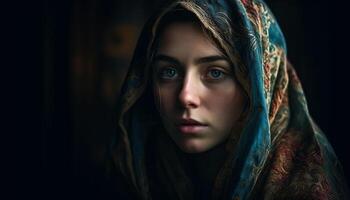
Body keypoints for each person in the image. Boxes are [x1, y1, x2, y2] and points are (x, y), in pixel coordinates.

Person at [106, 0, 349, 199]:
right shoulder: (142, 169)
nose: (185, 97)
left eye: (215, 73)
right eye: (168, 72)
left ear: (258, 84)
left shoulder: (306, 189)